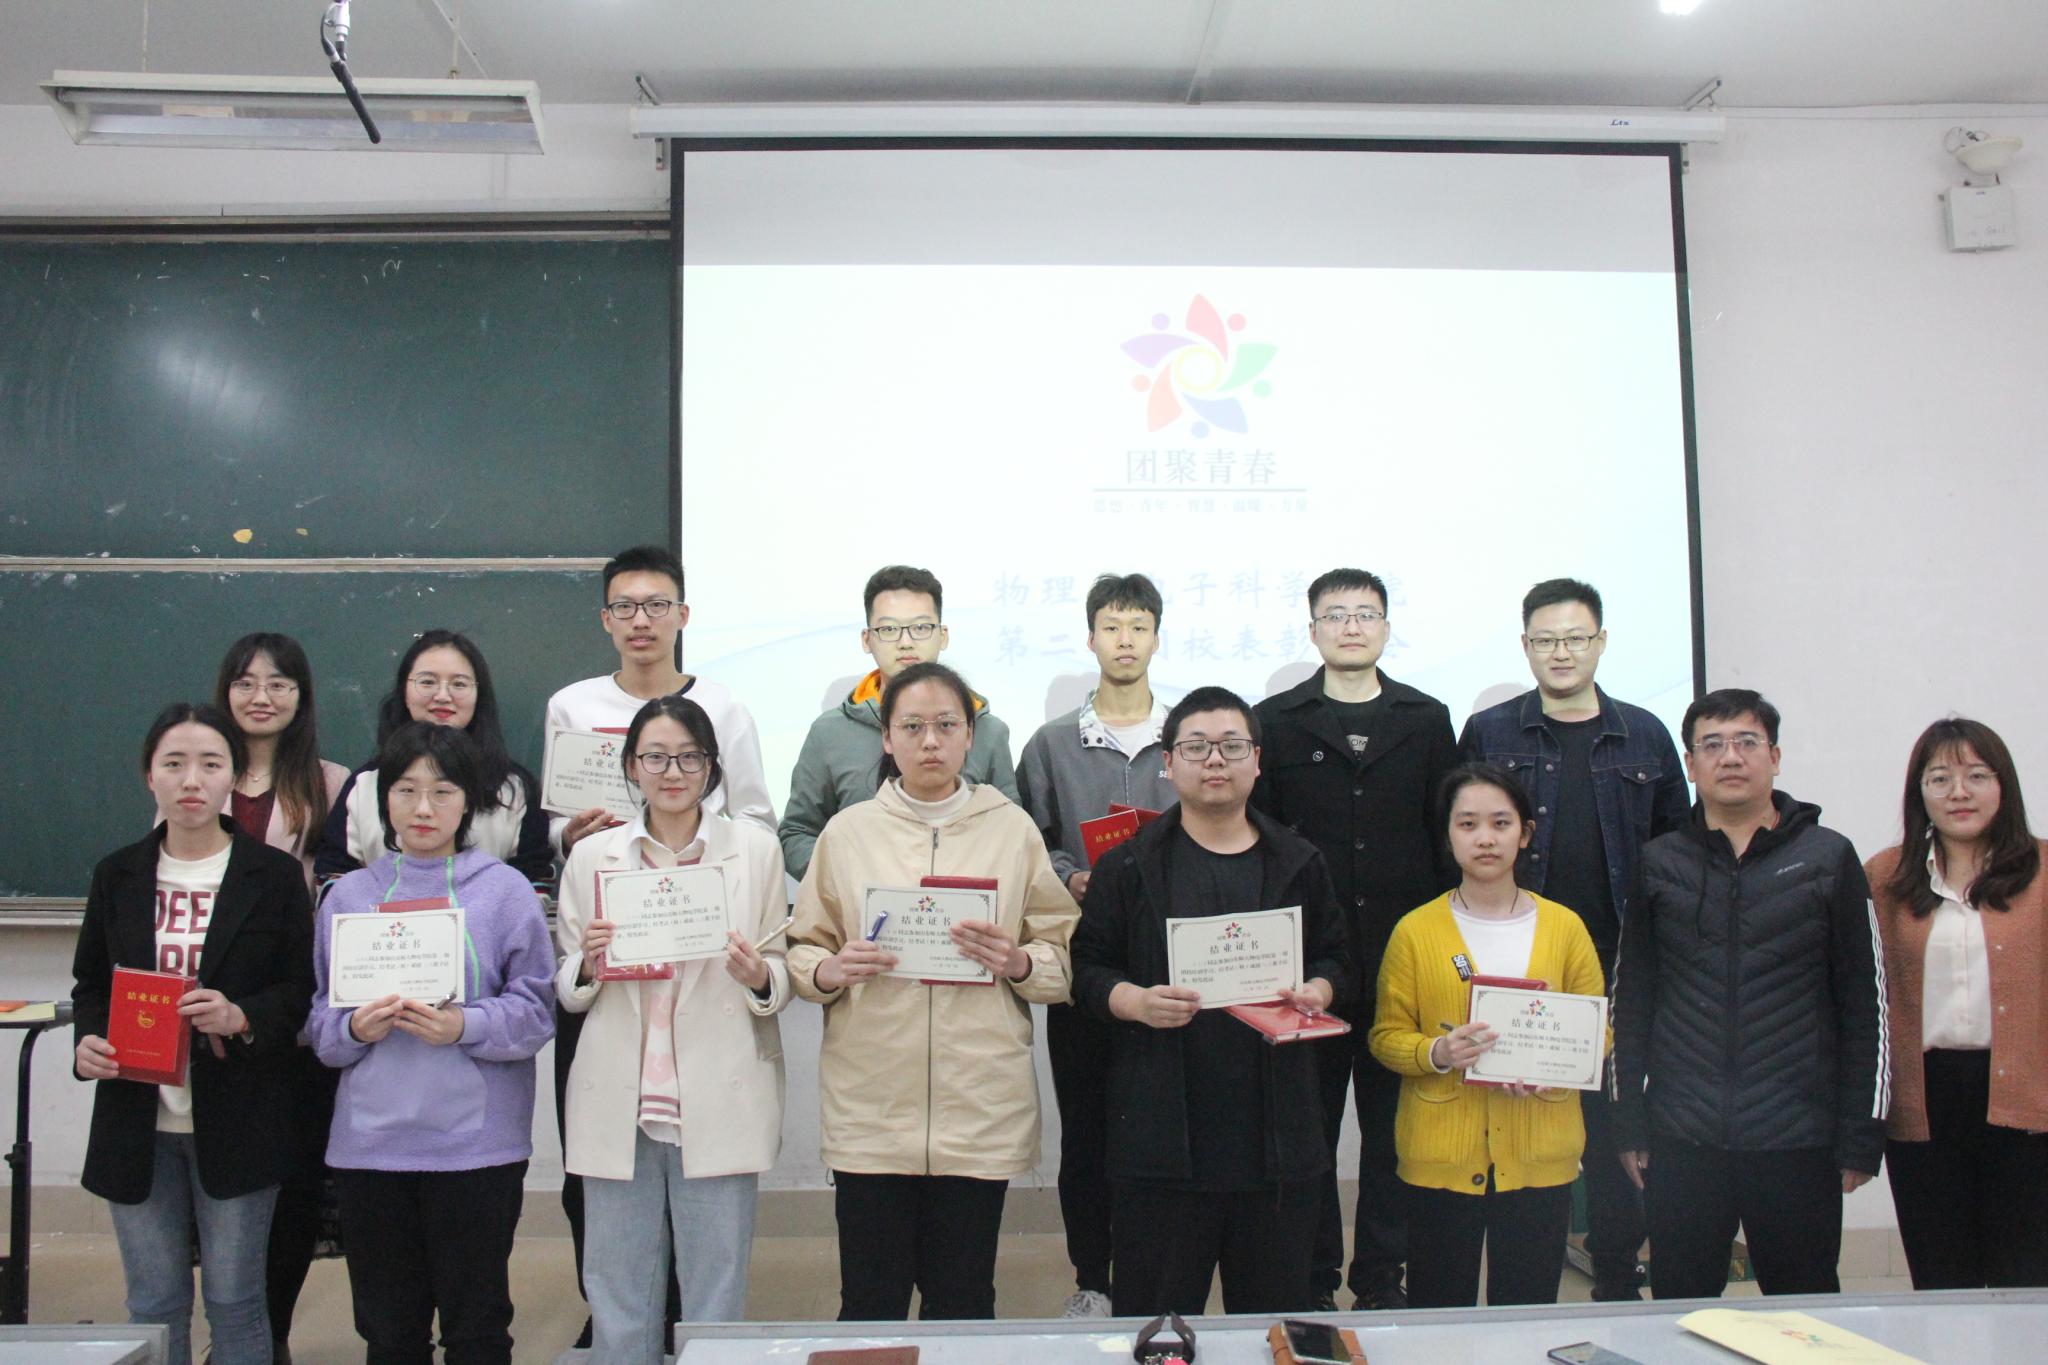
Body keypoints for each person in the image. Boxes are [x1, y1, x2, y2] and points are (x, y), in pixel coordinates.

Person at [787, 661, 1076, 1321]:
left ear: (971, 735)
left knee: (964, 1299)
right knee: (870, 1302)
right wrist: (830, 970)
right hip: (872, 1105)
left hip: (978, 1104)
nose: (930, 742)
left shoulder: (1012, 831)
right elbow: (803, 949)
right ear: (886, 738)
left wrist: (1018, 962)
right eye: (912, 726)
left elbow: (1061, 958)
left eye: (946, 725)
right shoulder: (848, 833)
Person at [541, 547, 775, 1343]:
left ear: (712, 765)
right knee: (618, 1290)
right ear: (629, 766)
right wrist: (589, 962)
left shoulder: (751, 851)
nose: (671, 771)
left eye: (688, 757)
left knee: (716, 1287)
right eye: (654, 757)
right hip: (621, 1084)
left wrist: (758, 973)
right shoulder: (592, 858)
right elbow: (567, 979)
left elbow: (777, 968)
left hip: (717, 1076)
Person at [1071, 685, 1349, 1317]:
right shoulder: (1129, 866)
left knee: (1272, 1322)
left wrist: (1319, 990)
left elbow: (1337, 957)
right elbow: (1086, 970)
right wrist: (1134, 1001)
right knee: (1158, 1329)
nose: (1215, 760)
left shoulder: (1298, 861)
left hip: (1276, 1144)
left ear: (1257, 760)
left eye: (1232, 746)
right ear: (1168, 763)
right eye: (1196, 747)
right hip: (1162, 1140)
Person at [1610, 688, 1889, 1299]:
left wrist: (1861, 1134)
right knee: (1680, 1309)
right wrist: (1627, 1123)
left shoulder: (1828, 857)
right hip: (1682, 1137)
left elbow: (1865, 1002)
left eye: (1746, 742)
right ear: (1690, 765)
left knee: (1805, 1313)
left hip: (1798, 1138)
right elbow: (1631, 1000)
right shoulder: (1660, 862)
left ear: (1775, 757)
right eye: (1712, 745)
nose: (1730, 757)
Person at [1455, 578, 1687, 1300]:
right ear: (1525, 646)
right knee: (1522, 1121)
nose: (1561, 652)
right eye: (1546, 639)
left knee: (1615, 1130)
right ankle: (1521, 1287)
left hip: (1620, 968)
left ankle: (1616, 1278)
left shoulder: (1645, 734)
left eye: (1576, 637)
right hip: (1514, 963)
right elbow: (1459, 836)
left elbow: (1677, 850)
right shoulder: (1490, 732)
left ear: (1601, 642)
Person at [71, 702, 316, 1365]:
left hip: (240, 1116)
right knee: (154, 1300)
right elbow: (92, 984)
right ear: (148, 775)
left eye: (210, 764)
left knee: (237, 1301)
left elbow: (299, 991)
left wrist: (243, 1016)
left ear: (232, 777)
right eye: (174, 763)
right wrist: (87, 1042)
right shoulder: (117, 873)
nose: (191, 780)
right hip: (137, 1117)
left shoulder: (272, 875)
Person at [307, 722, 555, 1363]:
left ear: (468, 802)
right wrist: (354, 1028)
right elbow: (322, 1028)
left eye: (442, 792)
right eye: (406, 790)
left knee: (477, 1331)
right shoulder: (348, 897)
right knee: (390, 1335)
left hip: (476, 1151)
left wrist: (463, 1025)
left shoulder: (504, 892)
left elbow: (537, 1013)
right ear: (382, 799)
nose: (423, 808)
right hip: (371, 1150)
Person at [1251, 567, 1457, 1310]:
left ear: (1386, 628)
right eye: (1335, 614)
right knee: (1307, 1133)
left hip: (1405, 962)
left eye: (1365, 613)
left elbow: (1447, 837)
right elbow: (1260, 845)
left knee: (1392, 1134)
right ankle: (1311, 1281)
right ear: (1313, 631)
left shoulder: (1426, 718)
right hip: (1308, 968)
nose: (1351, 626)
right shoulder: (1275, 720)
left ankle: (1380, 1278)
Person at [1369, 763, 1605, 1308]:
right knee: (1438, 1313)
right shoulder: (1415, 930)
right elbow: (1385, 1036)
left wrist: (1551, 1067)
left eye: (1501, 823)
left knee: (1526, 1312)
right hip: (1440, 1153)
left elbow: (1600, 1034)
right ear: (1448, 835)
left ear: (1525, 833)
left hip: (1540, 1148)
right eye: (1468, 823)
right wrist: (1437, 1051)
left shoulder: (1565, 927)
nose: (1485, 838)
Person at [1015, 571, 1176, 1319]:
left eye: (1138, 626)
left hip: (1173, 966)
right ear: (1090, 638)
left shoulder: (1187, 738)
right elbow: (1028, 842)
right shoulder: (1051, 744)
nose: (1125, 640)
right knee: (1086, 1130)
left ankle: (1159, 1271)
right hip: (1082, 964)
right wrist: (1070, 876)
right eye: (1112, 626)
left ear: (1156, 637)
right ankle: (1093, 1279)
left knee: (1164, 1124)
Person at [209, 634, 351, 1365]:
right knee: (222, 1182)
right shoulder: (199, 771)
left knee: (292, 1181)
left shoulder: (332, 783)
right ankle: (234, 1335)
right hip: (209, 1012)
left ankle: (272, 1334)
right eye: (246, 681)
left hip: (295, 1008)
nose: (261, 696)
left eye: (279, 683)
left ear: (302, 695)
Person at [1868, 717, 2048, 1289]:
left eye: (1976, 776)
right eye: (1940, 778)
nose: (1959, 793)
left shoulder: (2044, 870)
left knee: (2028, 1281)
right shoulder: (1885, 877)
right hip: (1925, 1102)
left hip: (2029, 1103)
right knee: (1942, 1279)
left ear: (2004, 786)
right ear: (1919, 792)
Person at [779, 565, 1020, 881]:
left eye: (920, 627)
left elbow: (1012, 833)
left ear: (943, 635)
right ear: (867, 639)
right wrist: (848, 881)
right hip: (859, 908)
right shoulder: (830, 733)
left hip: (962, 903)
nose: (906, 642)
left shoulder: (988, 731)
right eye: (889, 629)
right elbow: (797, 831)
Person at [544, 544, 775, 855]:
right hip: (604, 871)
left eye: (656, 605)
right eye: (624, 607)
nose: (640, 621)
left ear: (682, 615)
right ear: (607, 619)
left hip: (700, 873)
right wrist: (566, 837)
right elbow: (555, 821)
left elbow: (756, 818)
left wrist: (711, 852)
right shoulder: (571, 707)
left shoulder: (724, 707)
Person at [313, 630, 553, 885]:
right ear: (404, 691)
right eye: (427, 682)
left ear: (478, 695)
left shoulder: (513, 787)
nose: (442, 696)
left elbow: (533, 880)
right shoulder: (365, 783)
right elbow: (334, 875)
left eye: (459, 684)